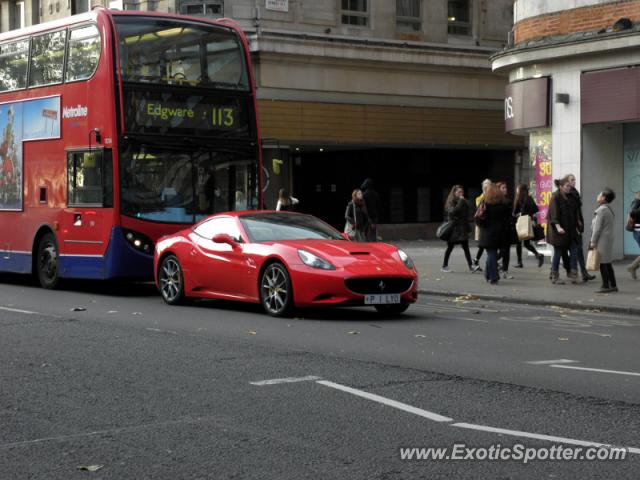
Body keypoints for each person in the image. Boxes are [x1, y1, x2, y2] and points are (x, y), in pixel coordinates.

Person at [476, 183, 511, 284]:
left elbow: (478, 219)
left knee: (491, 253)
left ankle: (494, 277)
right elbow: (508, 219)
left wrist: (484, 225)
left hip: (487, 233)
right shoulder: (504, 205)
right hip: (501, 233)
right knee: (494, 253)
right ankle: (488, 274)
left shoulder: (484, 204)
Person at [547, 177, 580, 284]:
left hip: (570, 230)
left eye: (570, 186)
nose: (569, 188)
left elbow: (574, 213)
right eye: (567, 186)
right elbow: (554, 214)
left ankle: (573, 272)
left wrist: (577, 224)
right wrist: (558, 227)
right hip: (558, 232)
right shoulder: (555, 197)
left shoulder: (570, 196)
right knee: (558, 252)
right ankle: (555, 275)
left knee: (574, 249)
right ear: (560, 187)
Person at [567, 174, 595, 282]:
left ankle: (583, 273)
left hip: (577, 225)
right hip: (573, 226)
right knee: (570, 250)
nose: (574, 181)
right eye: (572, 180)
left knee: (578, 250)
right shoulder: (570, 194)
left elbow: (578, 210)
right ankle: (579, 272)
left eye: (574, 179)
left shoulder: (574, 192)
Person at [441, 185, 475, 273]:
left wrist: (468, 229)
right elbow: (453, 212)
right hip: (454, 229)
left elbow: (465, 215)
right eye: (459, 192)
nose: (461, 194)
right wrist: (460, 201)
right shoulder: (451, 202)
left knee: (466, 248)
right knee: (450, 247)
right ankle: (444, 266)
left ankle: (471, 266)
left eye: (462, 192)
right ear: (454, 192)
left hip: (462, 228)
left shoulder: (463, 201)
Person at [590, 188, 617, 293]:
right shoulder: (609, 209)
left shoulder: (601, 210)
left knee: (602, 263)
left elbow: (597, 228)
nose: (597, 196)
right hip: (607, 238)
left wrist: (593, 241)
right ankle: (613, 285)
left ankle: (605, 285)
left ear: (603, 198)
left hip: (602, 239)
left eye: (599, 194)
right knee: (607, 263)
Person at [513, 183, 545, 268]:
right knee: (526, 243)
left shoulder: (519, 199)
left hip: (521, 223)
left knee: (518, 243)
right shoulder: (529, 198)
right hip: (528, 223)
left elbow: (515, 212)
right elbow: (536, 209)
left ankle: (520, 262)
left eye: (517, 189)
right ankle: (538, 255)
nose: (516, 191)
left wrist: (518, 214)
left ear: (520, 190)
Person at [496, 181, 516, 279]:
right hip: (499, 230)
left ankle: (505, 271)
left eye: (506, 187)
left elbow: (509, 216)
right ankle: (493, 262)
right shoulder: (495, 201)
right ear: (498, 189)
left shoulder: (507, 201)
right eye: (503, 188)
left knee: (506, 251)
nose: (505, 189)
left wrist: (514, 218)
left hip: (507, 229)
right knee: (503, 250)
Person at [472, 178, 492, 271]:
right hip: (483, 225)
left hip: (489, 224)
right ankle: (495, 262)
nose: (489, 187)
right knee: (485, 244)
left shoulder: (492, 196)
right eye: (487, 185)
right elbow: (480, 209)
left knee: (483, 245)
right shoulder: (480, 198)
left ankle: (476, 260)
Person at [626, 191, 640, 279]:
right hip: (638, 231)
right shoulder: (636, 202)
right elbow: (632, 212)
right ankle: (632, 267)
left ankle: (633, 267)